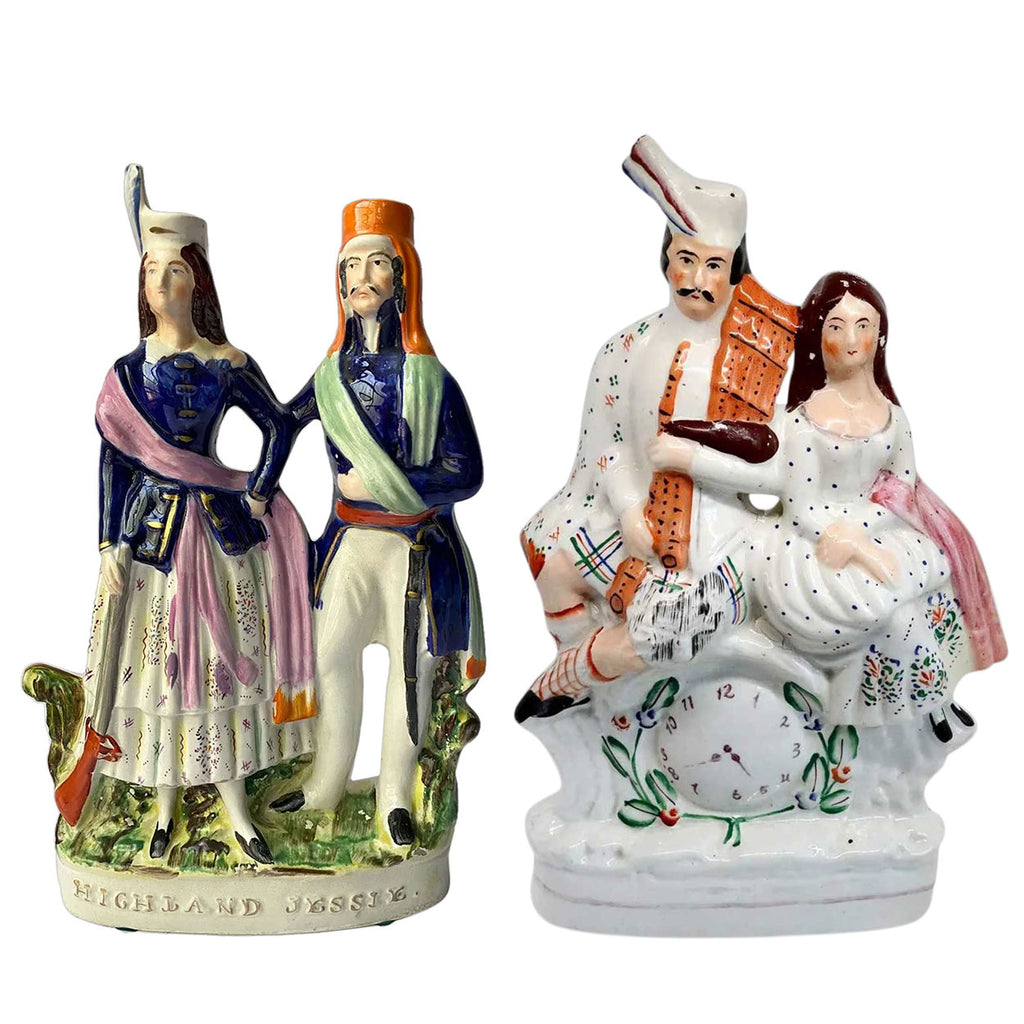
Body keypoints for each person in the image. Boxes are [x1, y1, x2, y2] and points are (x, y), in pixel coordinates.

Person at [57, 166, 316, 864]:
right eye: (151, 270)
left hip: (217, 536)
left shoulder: (225, 362)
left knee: (217, 670)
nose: (162, 282)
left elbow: (280, 424)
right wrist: (108, 545)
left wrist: (259, 491)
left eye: (175, 270)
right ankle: (164, 807)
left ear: (197, 280)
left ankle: (237, 807)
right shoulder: (126, 374)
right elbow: (114, 462)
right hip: (150, 544)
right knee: (163, 674)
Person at [646, 271, 1007, 730]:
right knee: (886, 611)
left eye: (863, 325)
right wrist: (690, 459)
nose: (852, 339)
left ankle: (930, 704)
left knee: (922, 591)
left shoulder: (894, 419)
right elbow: (796, 501)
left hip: (872, 530)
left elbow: (900, 485)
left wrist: (862, 534)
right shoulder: (804, 420)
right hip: (810, 544)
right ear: (818, 340)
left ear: (880, 336)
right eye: (837, 326)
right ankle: (898, 714)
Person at [517, 137, 797, 720]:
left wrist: (695, 465)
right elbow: (609, 448)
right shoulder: (626, 348)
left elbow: (780, 465)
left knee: (659, 629)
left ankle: (575, 675)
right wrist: (628, 513)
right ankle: (598, 692)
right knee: (549, 553)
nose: (696, 279)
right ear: (665, 259)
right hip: (636, 522)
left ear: (735, 270)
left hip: (717, 539)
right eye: (685, 259)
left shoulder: (758, 356)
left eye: (714, 265)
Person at [272, 199, 484, 847]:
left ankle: (394, 791)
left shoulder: (430, 379)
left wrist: (390, 486)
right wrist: (254, 491)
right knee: (329, 652)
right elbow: (282, 423)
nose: (361, 276)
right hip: (350, 541)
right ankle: (327, 780)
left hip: (412, 544)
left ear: (402, 277)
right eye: (351, 265)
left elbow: (465, 472)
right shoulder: (330, 377)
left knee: (410, 667)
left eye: (376, 263)